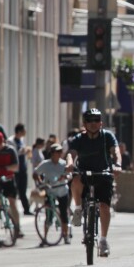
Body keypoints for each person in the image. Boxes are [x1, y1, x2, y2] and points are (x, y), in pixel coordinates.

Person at [65, 108, 121, 258]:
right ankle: (77, 208)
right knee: (75, 178)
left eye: (96, 120)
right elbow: (71, 154)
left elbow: (116, 152)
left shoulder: (107, 136)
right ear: (84, 123)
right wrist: (70, 164)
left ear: (101, 123)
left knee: (104, 206)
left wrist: (117, 165)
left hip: (103, 173)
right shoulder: (78, 138)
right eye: (90, 120)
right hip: (84, 172)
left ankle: (103, 240)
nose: (93, 123)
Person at [33, 143, 70, 243]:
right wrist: (40, 182)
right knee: (48, 214)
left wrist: (65, 177)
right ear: (52, 153)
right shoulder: (45, 164)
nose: (59, 154)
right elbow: (35, 173)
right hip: (50, 191)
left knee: (63, 214)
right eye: (57, 152)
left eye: (60, 152)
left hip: (62, 190)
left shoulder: (64, 163)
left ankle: (66, 235)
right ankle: (44, 237)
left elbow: (69, 174)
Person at [7, 123, 32, 215]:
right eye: (24, 130)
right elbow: (11, 154)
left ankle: (26, 209)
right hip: (15, 169)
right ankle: (12, 209)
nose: (25, 132)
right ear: (19, 131)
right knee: (14, 190)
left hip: (23, 168)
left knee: (23, 190)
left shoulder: (21, 140)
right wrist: (20, 151)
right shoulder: (10, 141)